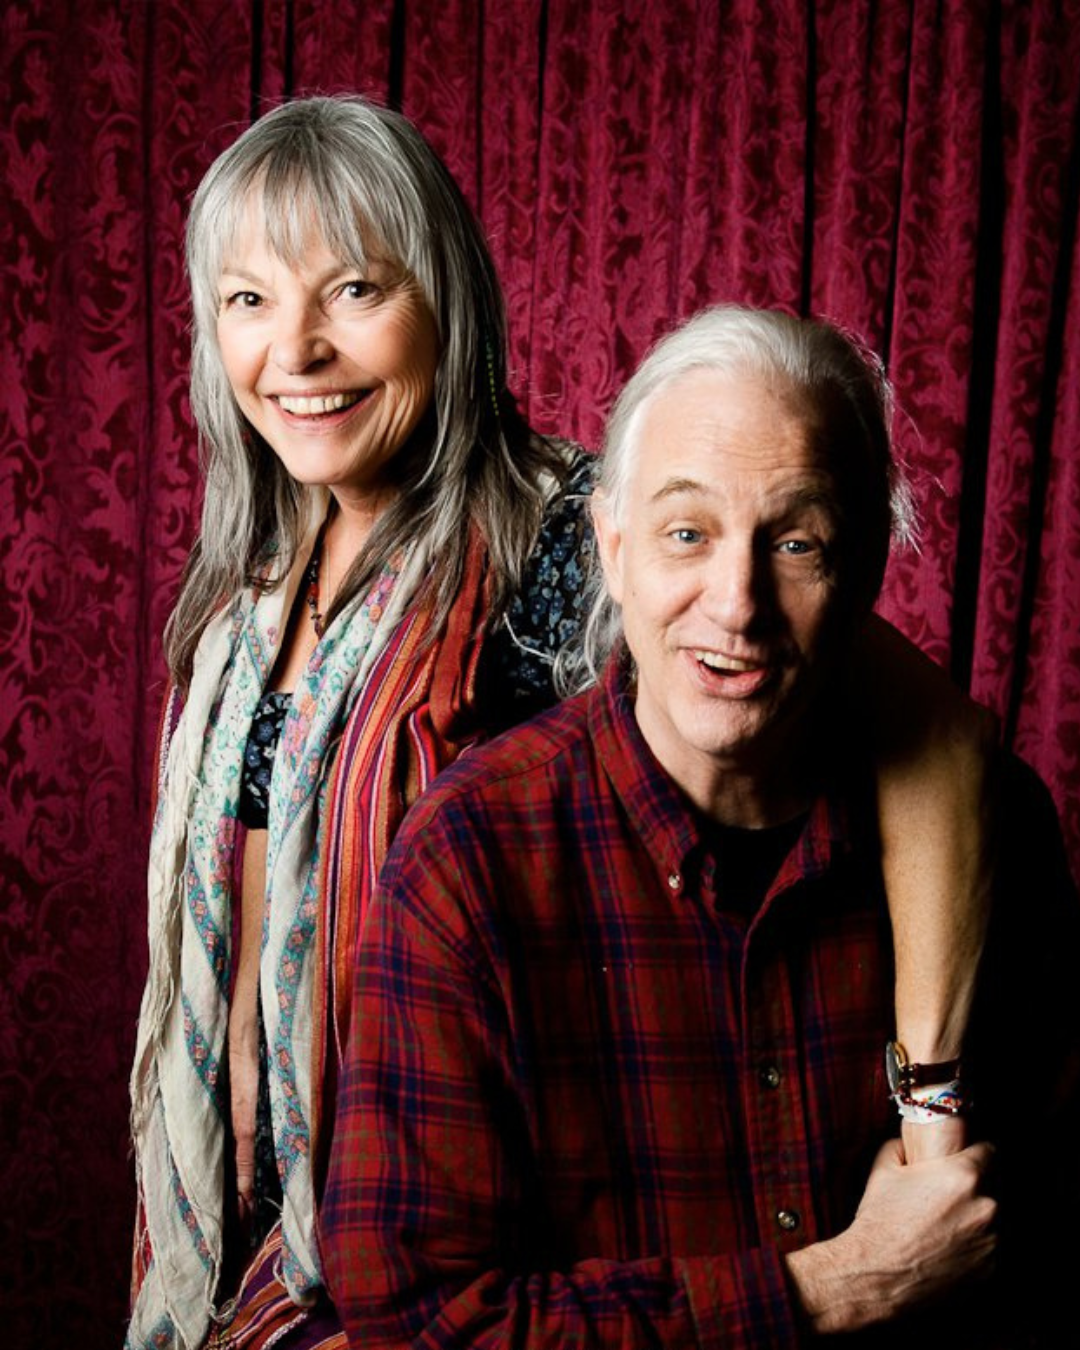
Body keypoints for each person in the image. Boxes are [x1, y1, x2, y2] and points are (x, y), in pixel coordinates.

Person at [127, 98, 992, 1348]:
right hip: (245, 1238)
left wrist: (929, 1114)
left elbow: (934, 742)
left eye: (355, 289)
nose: (296, 350)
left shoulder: (566, 537)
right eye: (247, 301)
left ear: (449, 302)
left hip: (467, 1222)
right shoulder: (250, 596)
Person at [321, 305, 1079, 1347]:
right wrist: (836, 1285)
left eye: (798, 542)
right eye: (688, 533)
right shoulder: (468, 866)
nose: (737, 603)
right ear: (614, 549)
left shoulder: (1000, 838)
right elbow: (417, 1326)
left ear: (863, 575)